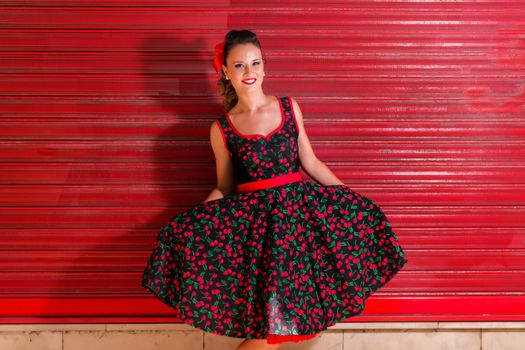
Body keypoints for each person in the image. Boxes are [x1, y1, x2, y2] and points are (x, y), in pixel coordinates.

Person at [141, 29, 408, 350]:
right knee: (274, 329)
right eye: (239, 65)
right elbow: (224, 188)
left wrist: (350, 201)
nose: (249, 72)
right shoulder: (222, 128)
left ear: (265, 67)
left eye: (255, 63)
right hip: (262, 236)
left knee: (285, 325)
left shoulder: (289, 107)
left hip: (297, 229)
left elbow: (310, 161)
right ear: (225, 71)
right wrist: (190, 224)